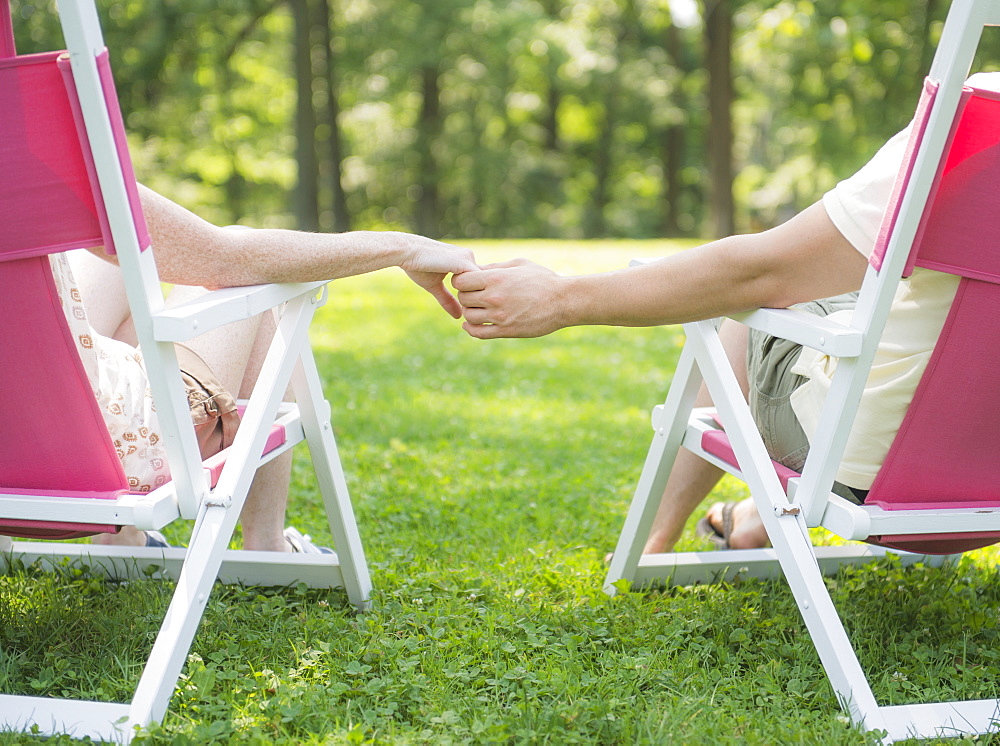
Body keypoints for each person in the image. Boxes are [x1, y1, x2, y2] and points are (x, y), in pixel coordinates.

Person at [450, 73, 999, 552]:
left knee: (754, 299)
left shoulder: (978, 122)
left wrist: (560, 297)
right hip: (987, 473)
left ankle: (655, 542)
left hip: (877, 472)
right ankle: (754, 518)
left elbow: (762, 273)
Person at [64, 184, 477, 552]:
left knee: (106, 254)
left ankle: (123, 538)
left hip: (13, 447)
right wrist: (404, 248)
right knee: (246, 269)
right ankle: (266, 543)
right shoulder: (56, 168)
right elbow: (227, 259)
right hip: (110, 450)